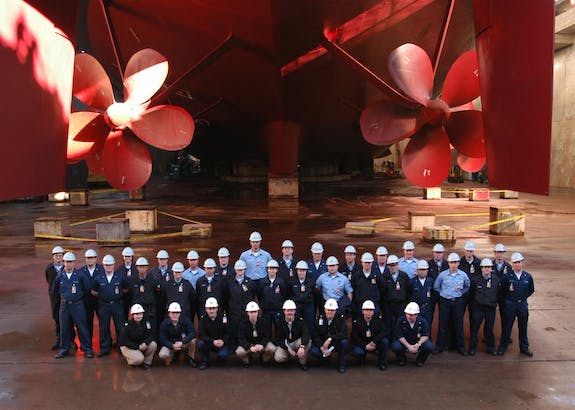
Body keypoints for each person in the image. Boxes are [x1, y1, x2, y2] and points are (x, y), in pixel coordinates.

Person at [53, 252, 94, 359]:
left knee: (82, 327)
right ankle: (64, 349)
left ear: (74, 263)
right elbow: (55, 291)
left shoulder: (80, 275)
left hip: (78, 305)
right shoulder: (60, 276)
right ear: (64, 262)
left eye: (71, 262)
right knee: (64, 328)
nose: (68, 264)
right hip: (65, 305)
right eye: (66, 262)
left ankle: (87, 349)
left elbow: (86, 289)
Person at [497, 252, 535, 357]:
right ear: (512, 264)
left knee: (523, 326)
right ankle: (502, 347)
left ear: (522, 262)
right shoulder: (506, 277)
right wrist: (508, 301)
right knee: (507, 326)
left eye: (519, 262)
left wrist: (522, 298)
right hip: (510, 305)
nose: (517, 264)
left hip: (522, 304)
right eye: (515, 262)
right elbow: (501, 291)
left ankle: (524, 348)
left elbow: (531, 290)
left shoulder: (528, 277)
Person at [433, 252, 470, 356]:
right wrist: (443, 293)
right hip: (445, 302)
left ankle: (461, 347)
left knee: (458, 325)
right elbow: (436, 286)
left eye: (456, 262)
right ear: (448, 263)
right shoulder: (443, 275)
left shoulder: (463, 275)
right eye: (452, 262)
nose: (454, 264)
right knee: (442, 325)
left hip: (457, 302)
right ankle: (439, 346)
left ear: (458, 263)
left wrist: (460, 293)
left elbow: (467, 285)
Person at [92, 254, 128, 357]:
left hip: (117, 304)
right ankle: (104, 348)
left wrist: (116, 296)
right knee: (104, 327)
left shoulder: (120, 277)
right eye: (106, 265)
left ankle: (121, 347)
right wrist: (105, 296)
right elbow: (94, 291)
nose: (108, 267)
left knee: (120, 327)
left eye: (110, 265)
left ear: (114, 265)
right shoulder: (98, 278)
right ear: (103, 265)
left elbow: (126, 289)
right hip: (104, 305)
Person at [469, 258, 500, 355]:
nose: (487, 269)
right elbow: (471, 294)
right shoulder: (475, 280)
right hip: (478, 308)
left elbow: (499, 293)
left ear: (491, 269)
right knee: (474, 328)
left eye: (489, 267)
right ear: (481, 268)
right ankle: (472, 348)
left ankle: (491, 348)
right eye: (485, 267)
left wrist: (495, 303)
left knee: (489, 329)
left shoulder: (496, 280)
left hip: (490, 309)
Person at [310, 299, 348, 373]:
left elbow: (344, 333)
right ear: (324, 309)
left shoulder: (341, 318)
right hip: (323, 344)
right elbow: (315, 335)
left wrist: (330, 339)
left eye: (332, 310)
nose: (330, 312)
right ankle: (325, 359)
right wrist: (321, 347)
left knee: (344, 342)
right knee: (314, 351)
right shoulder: (319, 319)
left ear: (336, 310)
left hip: (335, 343)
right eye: (328, 310)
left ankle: (341, 365)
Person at [391, 302, 434, 367]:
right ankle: (402, 359)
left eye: (411, 315)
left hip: (417, 341)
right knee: (396, 346)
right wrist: (408, 346)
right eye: (407, 314)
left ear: (416, 314)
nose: (409, 316)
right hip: (405, 341)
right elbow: (399, 336)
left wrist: (418, 344)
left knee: (429, 346)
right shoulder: (400, 320)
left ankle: (420, 360)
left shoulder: (423, 321)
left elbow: (425, 335)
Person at [236, 301, 276, 367]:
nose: (253, 314)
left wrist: (261, 345)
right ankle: (247, 361)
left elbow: (267, 336)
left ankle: (263, 359)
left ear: (258, 312)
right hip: (249, 345)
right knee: (239, 352)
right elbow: (241, 338)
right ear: (248, 313)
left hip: (260, 344)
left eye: (255, 312)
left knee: (272, 349)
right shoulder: (243, 323)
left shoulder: (263, 322)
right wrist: (250, 346)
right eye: (251, 312)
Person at [351, 300, 388, 370]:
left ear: (373, 311)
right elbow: (355, 336)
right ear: (362, 311)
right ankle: (361, 360)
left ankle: (382, 363)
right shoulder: (357, 322)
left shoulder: (378, 321)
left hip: (374, 343)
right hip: (362, 344)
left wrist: (374, 341)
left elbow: (384, 332)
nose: (369, 312)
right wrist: (364, 346)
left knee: (385, 341)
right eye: (367, 310)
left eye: (371, 310)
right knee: (357, 352)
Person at [225, 260, 256, 344]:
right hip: (234, 312)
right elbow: (227, 296)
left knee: (246, 331)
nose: (240, 271)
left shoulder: (249, 282)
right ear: (235, 270)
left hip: (245, 313)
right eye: (238, 270)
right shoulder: (230, 282)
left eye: (241, 269)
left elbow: (252, 295)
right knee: (234, 331)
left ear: (245, 270)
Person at [274, 300, 311, 370]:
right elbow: (278, 339)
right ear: (284, 311)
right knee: (278, 358)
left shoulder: (300, 320)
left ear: (294, 311)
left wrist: (302, 346)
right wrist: (287, 349)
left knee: (308, 342)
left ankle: (302, 362)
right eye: (288, 310)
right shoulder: (279, 321)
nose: (290, 312)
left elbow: (306, 334)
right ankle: (287, 357)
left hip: (297, 343)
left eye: (291, 310)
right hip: (286, 344)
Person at [198, 297, 233, 370]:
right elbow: (202, 334)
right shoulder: (203, 319)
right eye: (209, 308)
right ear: (206, 309)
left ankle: (220, 358)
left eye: (213, 308)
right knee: (201, 344)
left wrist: (223, 341)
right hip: (210, 343)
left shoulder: (224, 318)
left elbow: (228, 333)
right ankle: (205, 362)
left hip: (222, 343)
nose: (211, 311)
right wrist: (213, 341)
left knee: (223, 355)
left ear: (217, 308)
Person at [158, 302, 197, 367]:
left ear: (180, 313)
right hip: (171, 345)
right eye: (173, 313)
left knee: (193, 341)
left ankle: (191, 359)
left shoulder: (185, 320)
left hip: (182, 343)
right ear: (169, 313)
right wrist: (172, 345)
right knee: (162, 354)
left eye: (177, 313)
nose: (175, 315)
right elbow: (162, 338)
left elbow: (192, 332)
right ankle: (169, 358)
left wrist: (182, 342)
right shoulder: (164, 324)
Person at [128, 257, 160, 334]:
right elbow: (129, 295)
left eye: (144, 267)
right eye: (140, 267)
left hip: (149, 310)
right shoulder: (133, 280)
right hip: (137, 310)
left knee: (151, 330)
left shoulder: (152, 279)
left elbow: (157, 293)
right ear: (137, 268)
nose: (142, 269)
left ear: (147, 267)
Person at [120, 304, 157, 370]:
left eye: (140, 314)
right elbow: (125, 341)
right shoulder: (127, 325)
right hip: (128, 346)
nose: (139, 316)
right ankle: (131, 360)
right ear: (133, 315)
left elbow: (151, 335)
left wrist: (145, 343)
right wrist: (137, 346)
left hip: (141, 344)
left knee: (153, 345)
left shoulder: (146, 323)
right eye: (136, 314)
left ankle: (146, 363)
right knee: (138, 359)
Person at [381, 254, 409, 339]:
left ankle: (398, 342)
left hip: (400, 304)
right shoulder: (384, 276)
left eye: (395, 264)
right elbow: (381, 291)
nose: (393, 267)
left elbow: (407, 290)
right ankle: (388, 343)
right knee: (387, 324)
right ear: (388, 266)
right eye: (391, 265)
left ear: (398, 264)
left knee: (400, 324)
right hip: (388, 304)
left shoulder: (404, 276)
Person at [257, 260, 287, 337]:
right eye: (270, 268)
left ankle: (278, 345)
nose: (271, 270)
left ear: (277, 270)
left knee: (278, 329)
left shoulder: (281, 281)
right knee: (266, 330)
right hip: (266, 310)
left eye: (273, 268)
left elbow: (284, 294)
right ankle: (269, 346)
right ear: (267, 269)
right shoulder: (262, 281)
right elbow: (260, 295)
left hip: (278, 310)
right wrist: (263, 304)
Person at [79, 249, 104, 340]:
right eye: (88, 258)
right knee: (87, 322)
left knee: (103, 322)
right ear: (85, 259)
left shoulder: (101, 270)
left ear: (95, 259)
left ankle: (104, 343)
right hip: (86, 301)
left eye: (92, 258)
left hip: (99, 300)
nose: (90, 260)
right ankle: (88, 342)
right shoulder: (81, 271)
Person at [45, 245, 66, 350]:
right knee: (57, 319)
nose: (58, 257)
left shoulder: (67, 267)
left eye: (60, 255)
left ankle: (70, 341)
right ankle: (59, 340)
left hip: (65, 297)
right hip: (55, 299)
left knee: (68, 320)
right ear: (53, 257)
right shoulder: (49, 269)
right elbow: (48, 280)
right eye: (56, 255)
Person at [351, 252, 381, 320]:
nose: (367, 264)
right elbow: (353, 289)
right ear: (362, 262)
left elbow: (381, 288)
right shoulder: (356, 276)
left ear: (372, 263)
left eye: (369, 262)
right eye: (365, 262)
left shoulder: (377, 275)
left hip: (374, 306)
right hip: (359, 306)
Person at [289, 260, 316, 334]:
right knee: (297, 324)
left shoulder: (311, 282)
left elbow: (315, 294)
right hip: (297, 306)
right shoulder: (292, 282)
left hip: (308, 306)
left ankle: (309, 341)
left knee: (309, 323)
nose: (301, 272)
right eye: (300, 270)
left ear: (306, 271)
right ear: (297, 271)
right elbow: (289, 294)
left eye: (303, 270)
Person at [407, 260, 435, 327]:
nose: (422, 271)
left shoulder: (431, 281)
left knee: (427, 326)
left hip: (427, 308)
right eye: (420, 269)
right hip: (415, 309)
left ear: (427, 270)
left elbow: (433, 296)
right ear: (417, 270)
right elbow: (408, 295)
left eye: (424, 269)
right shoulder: (412, 282)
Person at [150, 250, 172, 333]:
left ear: (167, 260)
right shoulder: (153, 272)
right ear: (158, 260)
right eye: (160, 259)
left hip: (169, 300)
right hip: (157, 302)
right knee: (158, 321)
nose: (162, 261)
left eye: (164, 259)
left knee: (168, 321)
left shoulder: (172, 271)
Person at [116, 247, 136, 320]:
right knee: (123, 316)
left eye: (129, 256)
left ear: (132, 257)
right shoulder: (119, 269)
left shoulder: (136, 268)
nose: (127, 258)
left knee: (136, 313)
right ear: (123, 257)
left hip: (134, 296)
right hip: (123, 297)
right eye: (126, 256)